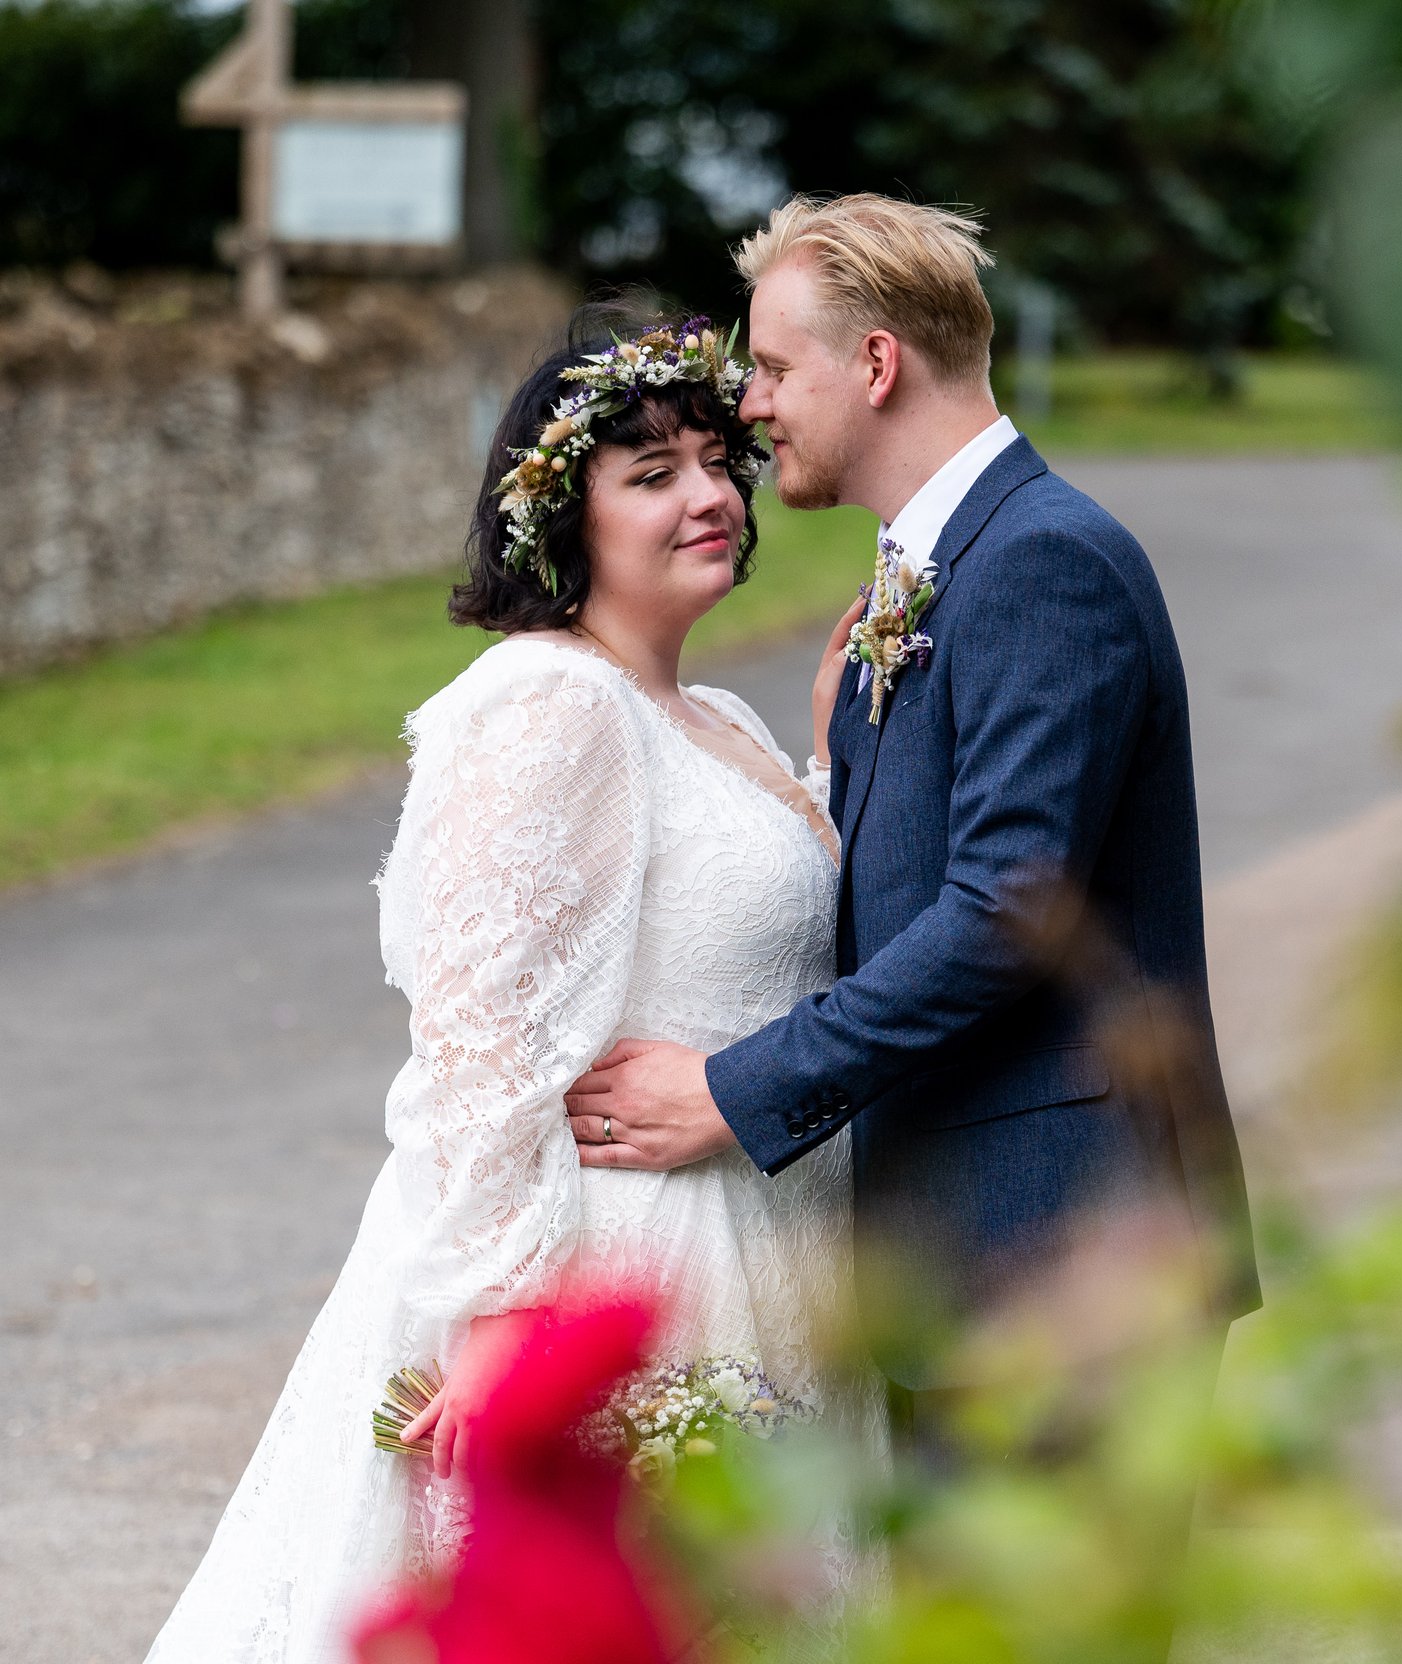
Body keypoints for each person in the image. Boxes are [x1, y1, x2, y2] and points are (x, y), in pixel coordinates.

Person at [146, 311, 875, 1663]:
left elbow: (754, 942)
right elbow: (480, 1038)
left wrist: (829, 761)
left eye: (718, 459)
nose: (713, 493)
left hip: (765, 1242)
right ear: (559, 521)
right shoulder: (547, 702)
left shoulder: (724, 718)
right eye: (652, 474)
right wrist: (502, 1324)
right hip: (610, 1255)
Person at [565, 196, 1260, 1514]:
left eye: (772, 369)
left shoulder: (1042, 562)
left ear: (875, 365)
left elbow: (1004, 913)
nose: (752, 406)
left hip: (1069, 1254)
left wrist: (733, 1089)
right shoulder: (938, 566)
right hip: (977, 1248)